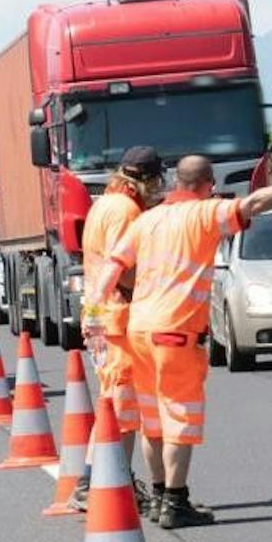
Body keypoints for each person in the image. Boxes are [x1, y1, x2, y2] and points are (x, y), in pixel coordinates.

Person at [88, 154, 272, 528]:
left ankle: (160, 494)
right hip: (175, 331)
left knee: (151, 417)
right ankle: (177, 502)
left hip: (140, 329)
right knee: (180, 413)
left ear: (175, 183)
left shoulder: (146, 220)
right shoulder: (206, 213)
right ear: (207, 184)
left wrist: (96, 317)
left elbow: (110, 270)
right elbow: (255, 203)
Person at [73, 145, 166, 514]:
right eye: (157, 180)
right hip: (116, 318)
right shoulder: (127, 211)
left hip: (98, 315)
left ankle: (111, 479)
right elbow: (124, 268)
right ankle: (95, 482)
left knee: (116, 403)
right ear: (146, 179)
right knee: (122, 409)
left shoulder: (104, 204)